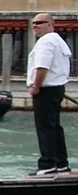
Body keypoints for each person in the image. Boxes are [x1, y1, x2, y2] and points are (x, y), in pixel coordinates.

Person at [28, 12, 72, 175]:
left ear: (50, 25)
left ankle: (47, 164)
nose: (35, 26)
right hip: (57, 88)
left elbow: (42, 67)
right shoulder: (58, 40)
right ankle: (61, 163)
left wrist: (35, 86)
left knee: (45, 126)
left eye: (40, 23)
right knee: (55, 126)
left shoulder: (45, 42)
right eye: (33, 23)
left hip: (45, 89)